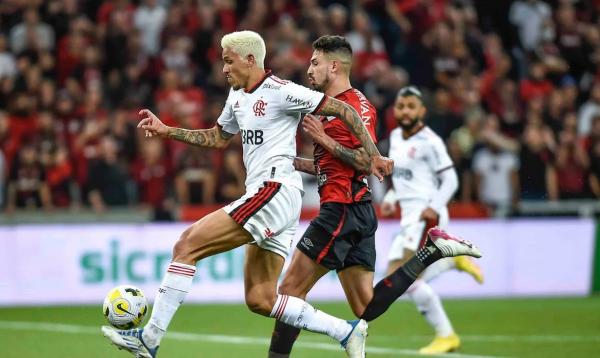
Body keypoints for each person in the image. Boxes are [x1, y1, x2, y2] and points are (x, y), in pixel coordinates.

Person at [101, 30, 394, 358]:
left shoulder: (282, 91)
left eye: (229, 61)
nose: (224, 69)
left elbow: (347, 112)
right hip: (275, 197)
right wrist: (168, 131)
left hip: (274, 190)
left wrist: (374, 155)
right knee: (261, 299)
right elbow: (217, 138)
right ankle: (345, 331)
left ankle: (150, 338)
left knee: (186, 245)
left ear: (251, 59)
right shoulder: (236, 96)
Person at [268, 36, 482, 358]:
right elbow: (336, 164)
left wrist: (322, 139)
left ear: (334, 66)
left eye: (315, 62)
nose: (309, 69)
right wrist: (296, 163)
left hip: (342, 209)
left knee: (288, 292)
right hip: (355, 209)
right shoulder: (336, 106)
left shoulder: (354, 107)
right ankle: (431, 252)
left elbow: (365, 162)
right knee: (365, 306)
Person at [381, 86, 484, 354]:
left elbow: (451, 180)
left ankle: (446, 335)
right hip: (409, 217)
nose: (405, 111)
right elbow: (404, 178)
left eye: (411, 106)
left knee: (406, 279)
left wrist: (433, 207)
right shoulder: (394, 136)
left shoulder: (430, 141)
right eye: (401, 106)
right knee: (396, 279)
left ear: (422, 111)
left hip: (426, 215)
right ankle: (452, 261)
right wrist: (392, 196)